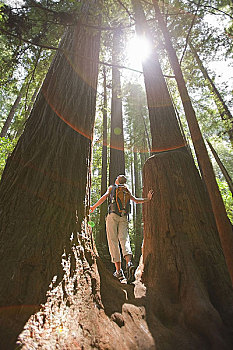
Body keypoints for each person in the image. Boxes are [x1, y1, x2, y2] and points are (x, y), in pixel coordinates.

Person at [90, 174, 153, 284]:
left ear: (117, 181)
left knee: (113, 241)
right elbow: (136, 201)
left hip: (112, 216)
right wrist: (148, 198)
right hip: (123, 217)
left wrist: (93, 207)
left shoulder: (112, 188)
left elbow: (104, 197)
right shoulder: (126, 190)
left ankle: (119, 271)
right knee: (124, 240)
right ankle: (129, 263)